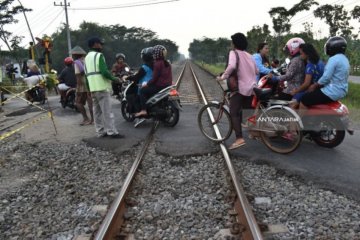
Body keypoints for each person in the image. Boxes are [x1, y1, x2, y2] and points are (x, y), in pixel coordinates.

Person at [216, 32, 257, 150]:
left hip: (240, 88)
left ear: (234, 43)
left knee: (234, 112)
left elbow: (232, 66)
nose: (231, 44)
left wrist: (223, 76)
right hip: (252, 88)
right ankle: (256, 132)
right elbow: (257, 71)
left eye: (232, 42)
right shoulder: (249, 55)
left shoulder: (233, 53)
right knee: (247, 113)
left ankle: (239, 138)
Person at [84, 36, 123, 138]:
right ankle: (112, 132)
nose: (101, 46)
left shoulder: (86, 58)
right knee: (107, 111)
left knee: (96, 112)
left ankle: (100, 132)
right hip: (101, 87)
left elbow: (86, 75)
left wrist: (88, 89)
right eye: (100, 44)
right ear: (95, 44)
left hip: (93, 88)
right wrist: (115, 79)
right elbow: (104, 72)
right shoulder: (99, 55)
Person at [300, 36, 349, 110]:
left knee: (304, 99)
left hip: (331, 92)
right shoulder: (345, 59)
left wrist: (314, 85)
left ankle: (298, 121)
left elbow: (326, 77)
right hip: (341, 91)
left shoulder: (333, 59)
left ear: (333, 48)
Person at [135, 45, 172, 117]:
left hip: (160, 86)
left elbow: (154, 78)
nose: (153, 55)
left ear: (156, 54)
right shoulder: (167, 63)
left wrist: (147, 84)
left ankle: (143, 110)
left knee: (142, 91)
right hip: (168, 85)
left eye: (154, 53)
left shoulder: (157, 64)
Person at [290, 43, 325, 109]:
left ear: (307, 53)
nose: (300, 56)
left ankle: (296, 119)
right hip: (320, 89)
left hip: (312, 90)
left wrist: (296, 91)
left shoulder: (310, 65)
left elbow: (306, 83)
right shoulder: (320, 62)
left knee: (292, 104)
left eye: (301, 54)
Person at [126, 47, 154, 127]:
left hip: (144, 85)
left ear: (144, 57)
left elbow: (136, 77)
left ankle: (141, 114)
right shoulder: (156, 65)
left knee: (135, 97)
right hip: (154, 85)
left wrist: (128, 77)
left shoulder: (144, 67)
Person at [71, 45, 94, 126]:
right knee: (90, 102)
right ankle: (93, 120)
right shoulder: (87, 60)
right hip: (91, 83)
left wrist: (77, 87)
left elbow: (78, 75)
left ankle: (86, 119)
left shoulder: (77, 62)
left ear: (75, 55)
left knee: (78, 102)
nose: (72, 56)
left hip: (82, 85)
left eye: (73, 55)